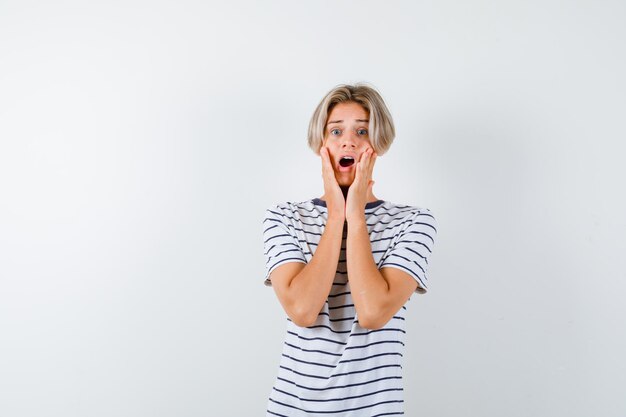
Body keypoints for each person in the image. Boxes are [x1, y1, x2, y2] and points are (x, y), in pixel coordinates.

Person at [262, 83, 438, 416]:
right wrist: (336, 215)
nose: (349, 141)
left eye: (362, 131)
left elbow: (373, 313)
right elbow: (302, 310)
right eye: (336, 131)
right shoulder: (284, 217)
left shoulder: (414, 222)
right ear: (321, 144)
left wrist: (355, 214)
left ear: (378, 144)